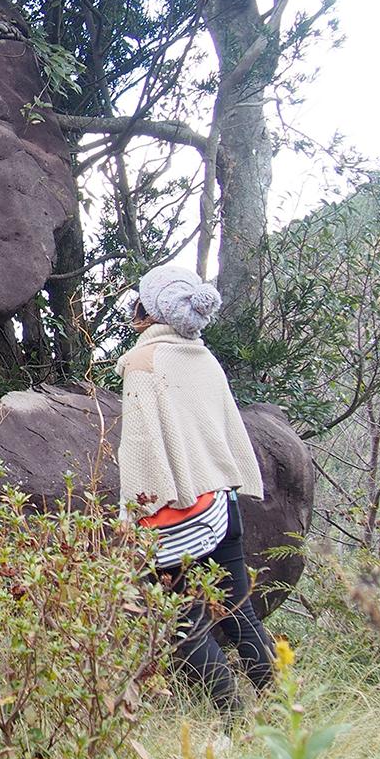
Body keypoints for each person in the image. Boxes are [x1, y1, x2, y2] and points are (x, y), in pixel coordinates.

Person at [115, 264, 275, 714]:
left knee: (182, 626)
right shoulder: (204, 358)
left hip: (181, 512)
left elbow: (143, 450)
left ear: (148, 309)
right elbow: (223, 428)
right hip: (222, 503)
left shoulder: (142, 363)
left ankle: (234, 717)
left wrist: (136, 520)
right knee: (240, 610)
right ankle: (280, 708)